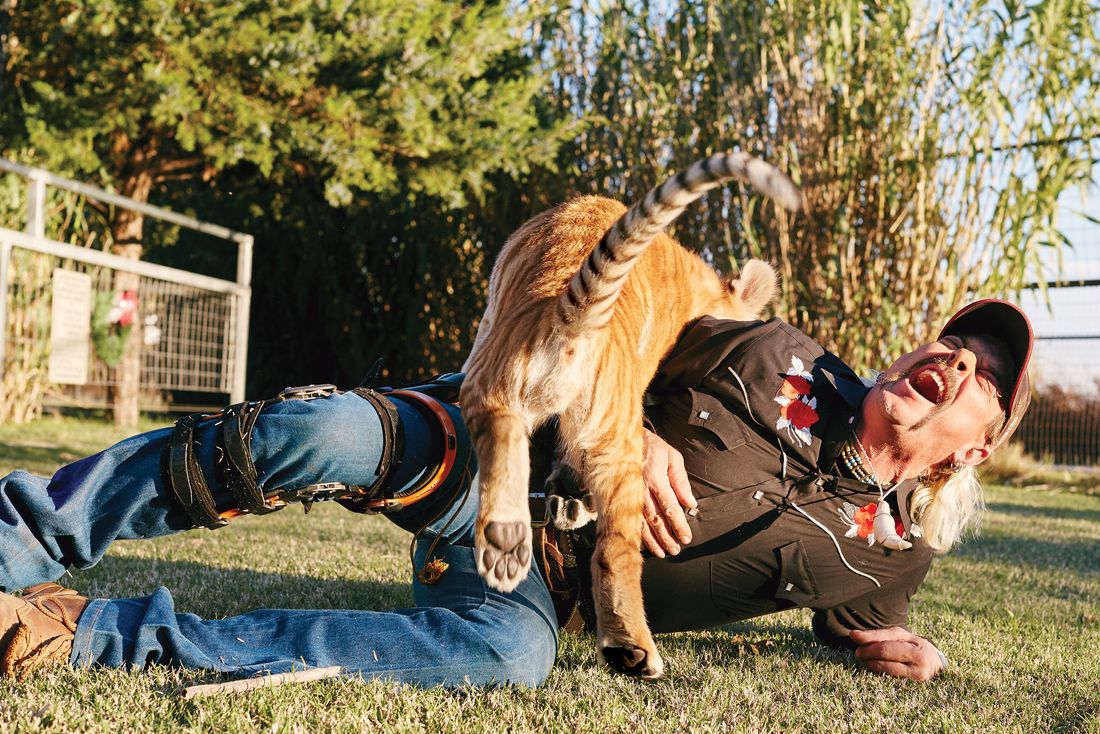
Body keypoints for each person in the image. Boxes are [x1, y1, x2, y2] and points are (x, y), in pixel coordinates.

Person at [0, 299, 1032, 685]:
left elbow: (858, 620)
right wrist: (620, 423)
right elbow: (607, 322)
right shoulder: (777, 353)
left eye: (983, 371)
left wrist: (903, 649)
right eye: (956, 337)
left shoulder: (892, 548)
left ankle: (75, 633)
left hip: (525, 582)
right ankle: (26, 535)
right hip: (495, 440)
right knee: (314, 430)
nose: (955, 355)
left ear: (973, 448)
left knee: (510, 656)